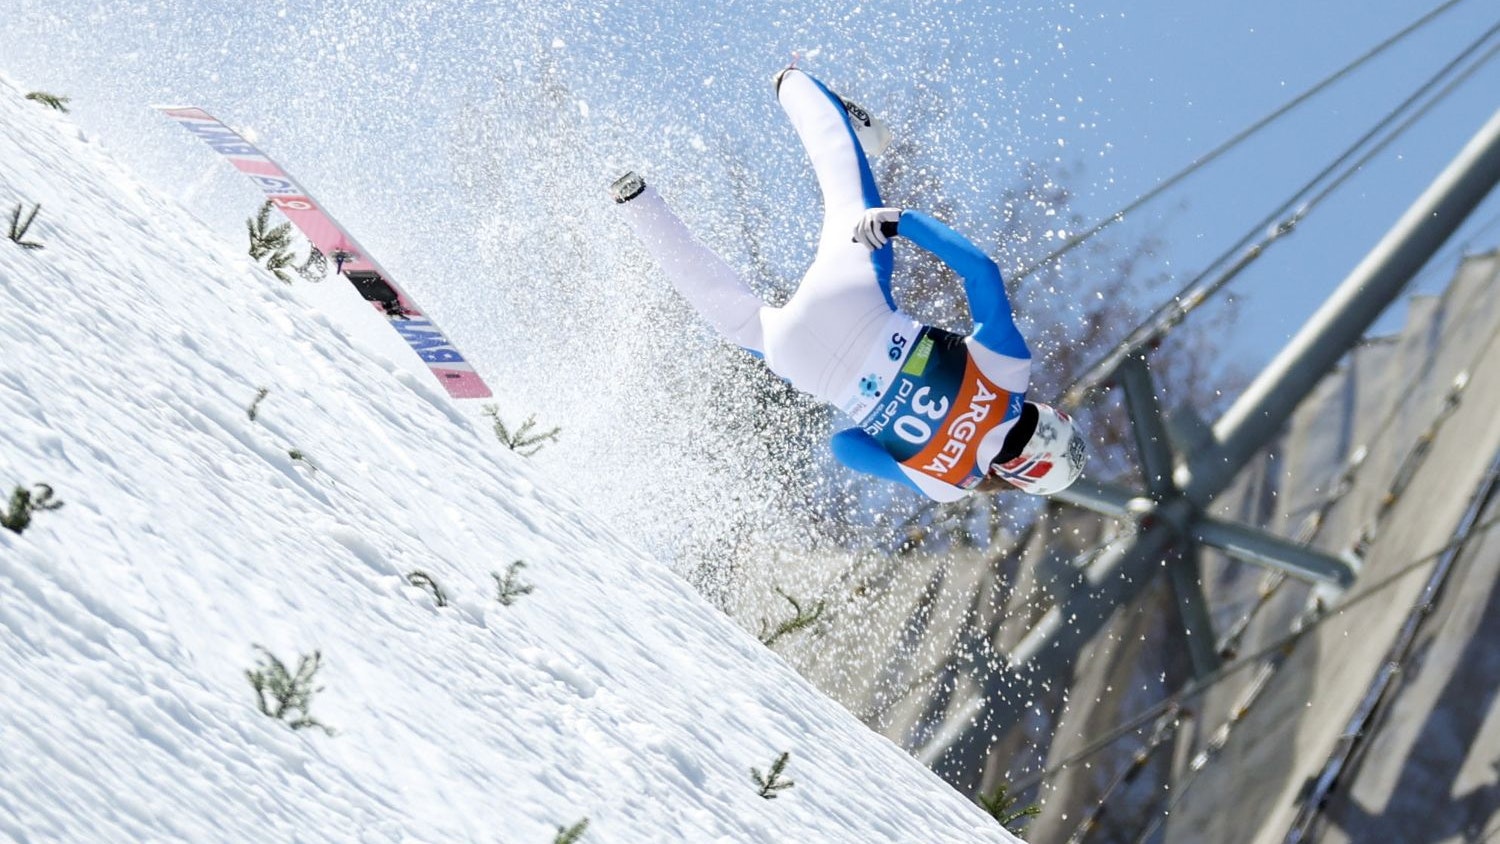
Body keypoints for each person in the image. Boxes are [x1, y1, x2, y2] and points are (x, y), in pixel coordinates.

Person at [610, 67, 1086, 502]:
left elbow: (981, 271)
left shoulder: (1010, 376)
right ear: (1018, 477)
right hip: (809, 364)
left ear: (1049, 417)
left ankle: (795, 86)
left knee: (848, 195)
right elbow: (845, 447)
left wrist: (903, 223)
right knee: (730, 312)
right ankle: (635, 202)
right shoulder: (947, 485)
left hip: (859, 307)